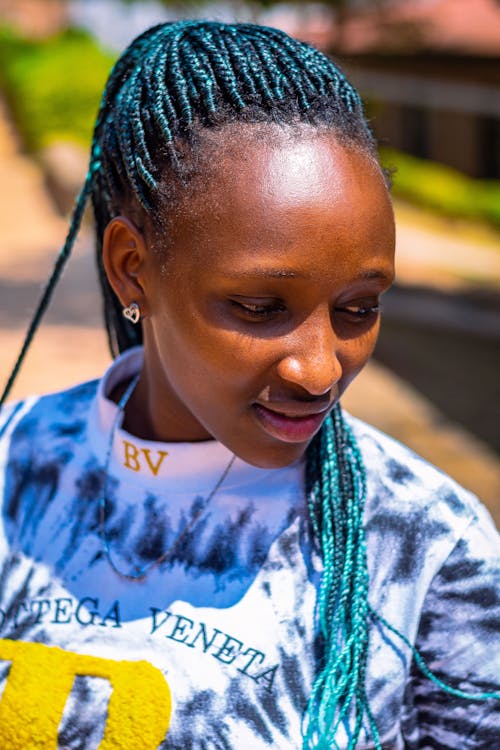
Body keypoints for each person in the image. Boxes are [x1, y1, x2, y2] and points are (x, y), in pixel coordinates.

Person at [0, 20, 498, 750]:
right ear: (131, 266)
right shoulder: (13, 466)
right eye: (261, 309)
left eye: (360, 308)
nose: (320, 368)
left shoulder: (427, 546)